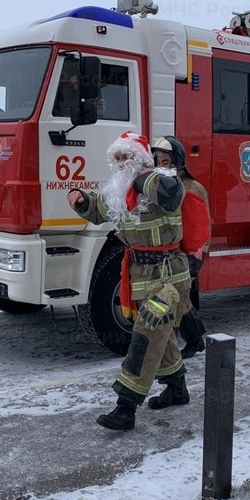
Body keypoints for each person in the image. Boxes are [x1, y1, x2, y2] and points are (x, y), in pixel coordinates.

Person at [67, 130, 192, 431]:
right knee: (161, 336)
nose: (121, 163)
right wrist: (83, 200)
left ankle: (125, 407)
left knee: (146, 339)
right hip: (140, 275)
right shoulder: (121, 190)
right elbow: (100, 209)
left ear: (140, 159)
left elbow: (172, 194)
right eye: (118, 157)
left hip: (168, 279)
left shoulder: (162, 181)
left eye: (127, 156)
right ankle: (177, 388)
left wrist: (142, 173)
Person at [151, 136, 211, 359]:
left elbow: (201, 224)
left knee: (180, 298)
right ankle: (193, 340)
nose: (160, 166)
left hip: (190, 251)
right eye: (157, 161)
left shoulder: (192, 187)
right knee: (179, 298)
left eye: (164, 161)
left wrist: (196, 254)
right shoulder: (162, 186)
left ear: (176, 161)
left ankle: (195, 341)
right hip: (173, 252)